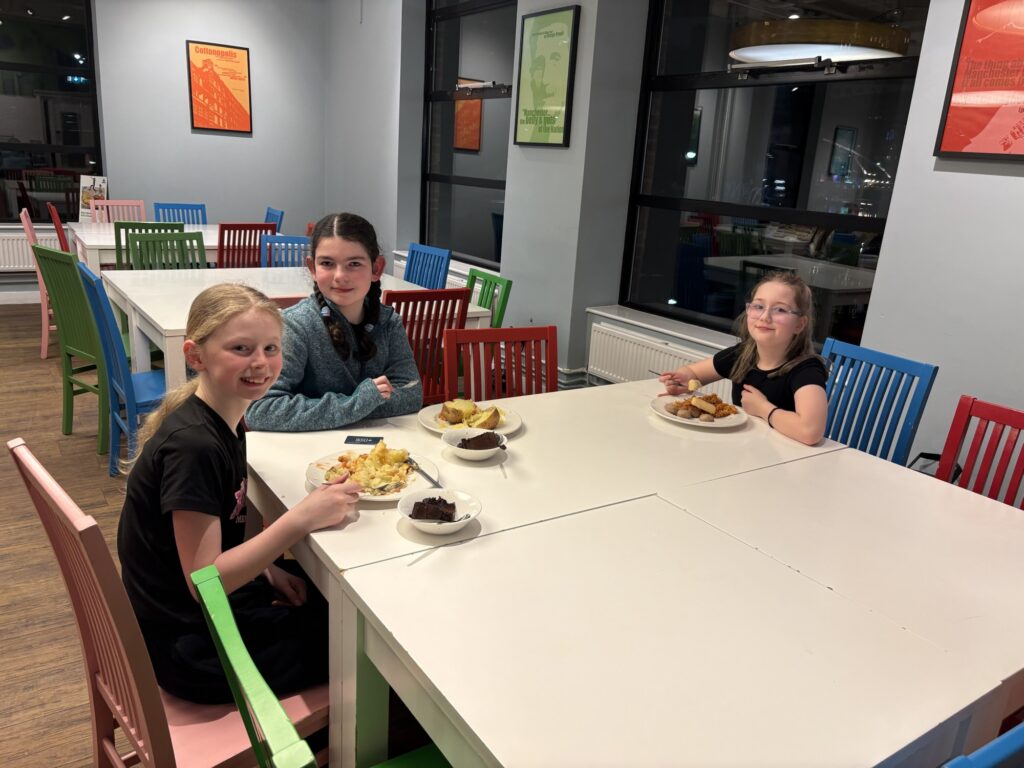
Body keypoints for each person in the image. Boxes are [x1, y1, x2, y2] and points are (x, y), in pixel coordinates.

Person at [117, 284, 362, 704]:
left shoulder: (224, 418)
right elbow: (204, 584)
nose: (261, 363)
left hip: (197, 614)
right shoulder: (194, 447)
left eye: (271, 348)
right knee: (354, 639)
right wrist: (301, 517)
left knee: (337, 598)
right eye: (241, 349)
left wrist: (267, 571)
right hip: (191, 646)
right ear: (196, 356)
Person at [245, 212, 422, 432]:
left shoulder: (388, 322)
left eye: (354, 263)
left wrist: (356, 406)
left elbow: (412, 394)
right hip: (308, 448)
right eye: (327, 263)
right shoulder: (295, 326)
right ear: (312, 268)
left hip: (377, 446)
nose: (340, 276)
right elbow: (261, 410)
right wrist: (358, 402)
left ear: (376, 269)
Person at [660, 271, 828, 445]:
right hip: (746, 448)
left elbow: (811, 432)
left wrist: (763, 408)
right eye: (759, 306)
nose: (765, 317)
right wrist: (682, 380)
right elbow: (694, 373)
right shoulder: (743, 353)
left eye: (780, 309)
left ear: (799, 324)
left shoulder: (806, 370)